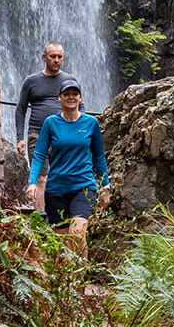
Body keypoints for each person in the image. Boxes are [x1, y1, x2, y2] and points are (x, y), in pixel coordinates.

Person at [27, 81, 110, 255]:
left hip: (84, 186)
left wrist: (106, 186)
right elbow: (40, 155)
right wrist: (32, 182)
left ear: (80, 97)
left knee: (77, 234)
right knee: (62, 243)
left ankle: (80, 279)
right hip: (56, 189)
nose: (71, 97)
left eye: (74, 94)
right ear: (60, 98)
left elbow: (99, 156)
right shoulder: (50, 123)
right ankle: (69, 280)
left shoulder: (91, 123)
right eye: (66, 94)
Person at [14, 42, 78, 156]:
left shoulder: (70, 81)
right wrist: (20, 138)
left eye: (60, 57)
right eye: (52, 56)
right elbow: (20, 109)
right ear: (44, 57)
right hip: (37, 134)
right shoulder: (31, 81)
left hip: (63, 135)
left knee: (61, 173)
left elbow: (80, 106)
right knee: (40, 174)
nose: (56, 60)